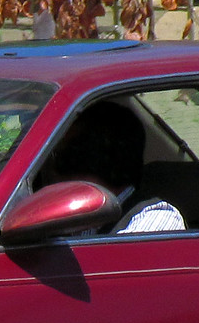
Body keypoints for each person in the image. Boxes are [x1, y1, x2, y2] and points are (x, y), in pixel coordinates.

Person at [36, 100, 184, 234]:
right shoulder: (75, 219)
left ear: (99, 163)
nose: (53, 172)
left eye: (64, 157)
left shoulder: (155, 216)